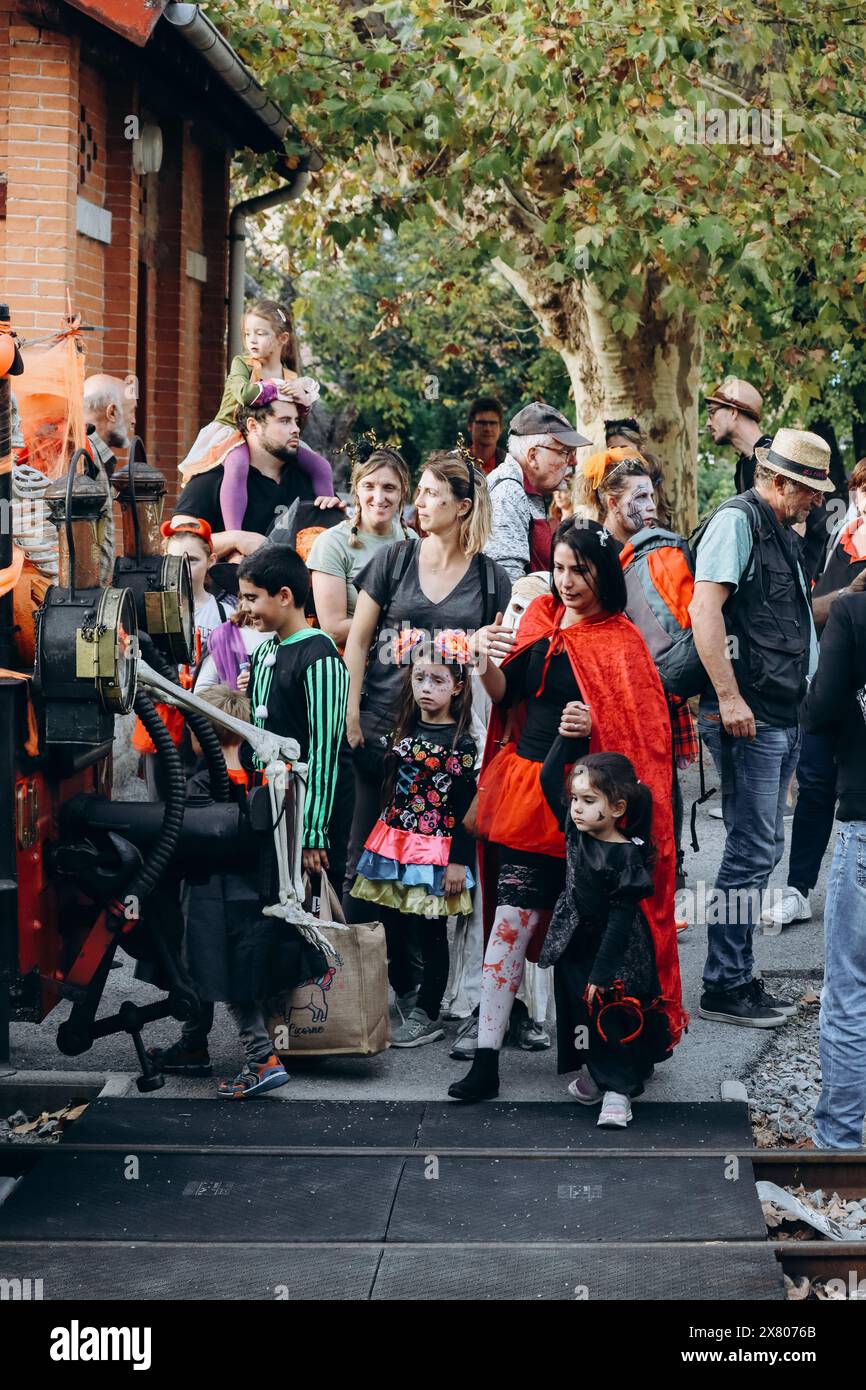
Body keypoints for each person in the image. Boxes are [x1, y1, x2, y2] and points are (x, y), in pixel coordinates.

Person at [448, 518, 685, 1102]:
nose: (569, 580)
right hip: (528, 796)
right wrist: (481, 661)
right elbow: (510, 698)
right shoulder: (540, 621)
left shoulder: (622, 641)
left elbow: (640, 744)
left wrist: (593, 727)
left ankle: (617, 1054)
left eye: (581, 569)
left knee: (601, 937)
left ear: (605, 573)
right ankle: (485, 1058)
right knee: (510, 922)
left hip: (594, 811)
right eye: (560, 568)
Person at [689, 428, 833, 1027]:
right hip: (750, 715)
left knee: (760, 847)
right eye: (808, 489)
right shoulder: (739, 522)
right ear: (778, 481)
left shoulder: (779, 530)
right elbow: (705, 609)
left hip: (777, 711)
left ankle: (733, 977)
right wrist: (728, 699)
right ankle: (725, 984)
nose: (817, 501)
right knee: (750, 851)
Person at [343, 452, 511, 916]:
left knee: (429, 865)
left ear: (461, 506)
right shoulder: (394, 560)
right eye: (418, 491)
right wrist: (350, 712)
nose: (418, 501)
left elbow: (497, 674)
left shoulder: (491, 578)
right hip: (381, 727)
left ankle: (416, 978)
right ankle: (356, 976)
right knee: (362, 857)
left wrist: (477, 650)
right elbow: (358, 642)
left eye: (431, 494)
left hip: (447, 744)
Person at [147, 684, 327, 1096]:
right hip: (254, 892)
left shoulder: (201, 784)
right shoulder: (259, 773)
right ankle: (193, 1045)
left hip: (213, 897)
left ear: (199, 734)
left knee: (227, 980)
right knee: (206, 970)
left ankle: (261, 1058)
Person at [350, 632, 478, 1047]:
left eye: (438, 681)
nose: (426, 688)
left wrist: (460, 861)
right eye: (420, 678)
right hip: (394, 841)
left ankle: (428, 1010)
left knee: (430, 927)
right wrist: (352, 743)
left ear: (458, 686)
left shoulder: (462, 746)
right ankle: (406, 990)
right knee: (389, 920)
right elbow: (383, 771)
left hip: (435, 848)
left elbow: (464, 809)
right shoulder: (402, 730)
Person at [539, 752, 679, 1128]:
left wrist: (602, 972)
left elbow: (620, 922)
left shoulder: (626, 857)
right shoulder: (575, 831)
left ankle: (618, 1091)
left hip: (615, 952)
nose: (577, 809)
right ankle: (598, 1075)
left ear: (618, 808)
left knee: (611, 1014)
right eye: (575, 800)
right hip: (575, 944)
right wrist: (565, 739)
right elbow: (549, 776)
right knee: (580, 1012)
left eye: (588, 801)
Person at [762, 459, 866, 928]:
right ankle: (799, 889)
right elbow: (811, 614)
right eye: (860, 491)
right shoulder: (839, 543)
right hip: (829, 681)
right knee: (817, 786)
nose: (862, 502)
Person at [238, 545, 350, 888]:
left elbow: (326, 751)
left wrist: (313, 831)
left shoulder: (320, 656)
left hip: (309, 813)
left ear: (284, 596)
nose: (245, 609)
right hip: (273, 803)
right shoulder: (265, 651)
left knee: (307, 911)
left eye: (251, 598)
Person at [800, 591, 866, 1148]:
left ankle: (843, 1138)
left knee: (850, 988)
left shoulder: (853, 613)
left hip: (864, 816)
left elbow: (820, 711)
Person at [177, 298, 333, 499]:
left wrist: (302, 401)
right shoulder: (243, 364)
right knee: (237, 464)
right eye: (247, 334)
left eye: (260, 334)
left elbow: (297, 419)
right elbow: (244, 394)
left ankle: (328, 517)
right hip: (233, 431)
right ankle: (234, 528)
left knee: (321, 466)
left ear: (282, 338)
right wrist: (276, 388)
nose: (251, 340)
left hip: (271, 436)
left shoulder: (290, 377)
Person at [173, 388, 339, 566]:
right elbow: (176, 542)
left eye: (296, 421)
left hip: (301, 591)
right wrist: (236, 539)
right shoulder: (214, 478)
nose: (296, 429)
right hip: (234, 590)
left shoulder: (309, 478)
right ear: (253, 425)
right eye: (284, 421)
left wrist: (341, 521)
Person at [307, 444, 412, 649]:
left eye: (389, 487)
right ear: (356, 488)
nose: (379, 498)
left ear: (403, 490)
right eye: (369, 486)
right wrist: (403, 628)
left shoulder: (412, 540)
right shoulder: (332, 543)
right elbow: (333, 630)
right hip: (353, 666)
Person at [484, 401, 591, 582]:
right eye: (564, 452)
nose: (573, 462)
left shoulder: (526, 489)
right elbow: (508, 584)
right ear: (533, 456)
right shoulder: (507, 493)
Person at [194, 598, 269, 694]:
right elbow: (202, 691)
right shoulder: (226, 635)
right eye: (249, 597)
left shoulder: (289, 640)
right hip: (227, 707)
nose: (245, 606)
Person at [467, 396, 506, 474]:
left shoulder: (509, 464)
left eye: (493, 423)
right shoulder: (456, 461)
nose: (488, 429)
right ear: (470, 426)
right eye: (482, 423)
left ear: (501, 428)